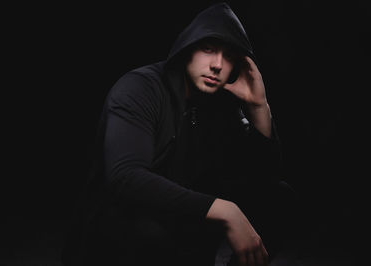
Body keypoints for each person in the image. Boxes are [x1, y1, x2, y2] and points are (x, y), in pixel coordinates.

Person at [62, 3, 299, 266]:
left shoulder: (223, 103)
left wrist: (258, 106)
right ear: (188, 47)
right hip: (119, 237)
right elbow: (125, 177)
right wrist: (225, 210)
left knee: (279, 198)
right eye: (208, 49)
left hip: (183, 232)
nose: (218, 65)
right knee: (146, 230)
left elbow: (265, 178)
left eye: (229, 55)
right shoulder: (140, 88)